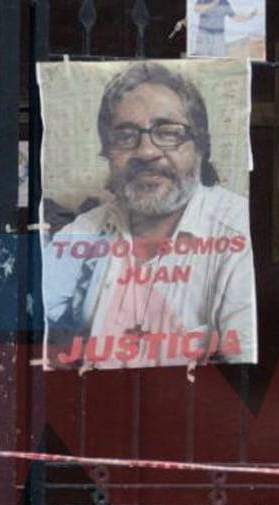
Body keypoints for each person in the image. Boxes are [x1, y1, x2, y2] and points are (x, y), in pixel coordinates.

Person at [43, 62, 256, 370]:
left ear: (200, 147)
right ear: (109, 153)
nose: (146, 152)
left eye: (168, 133)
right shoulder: (88, 229)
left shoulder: (237, 229)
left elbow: (247, 368)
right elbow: (23, 315)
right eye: (126, 136)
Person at [192, 1, 259, 58]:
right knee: (201, 58)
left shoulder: (225, 3)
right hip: (204, 34)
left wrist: (250, 16)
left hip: (219, 36)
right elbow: (197, 9)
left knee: (219, 59)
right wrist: (214, 3)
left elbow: (236, 17)